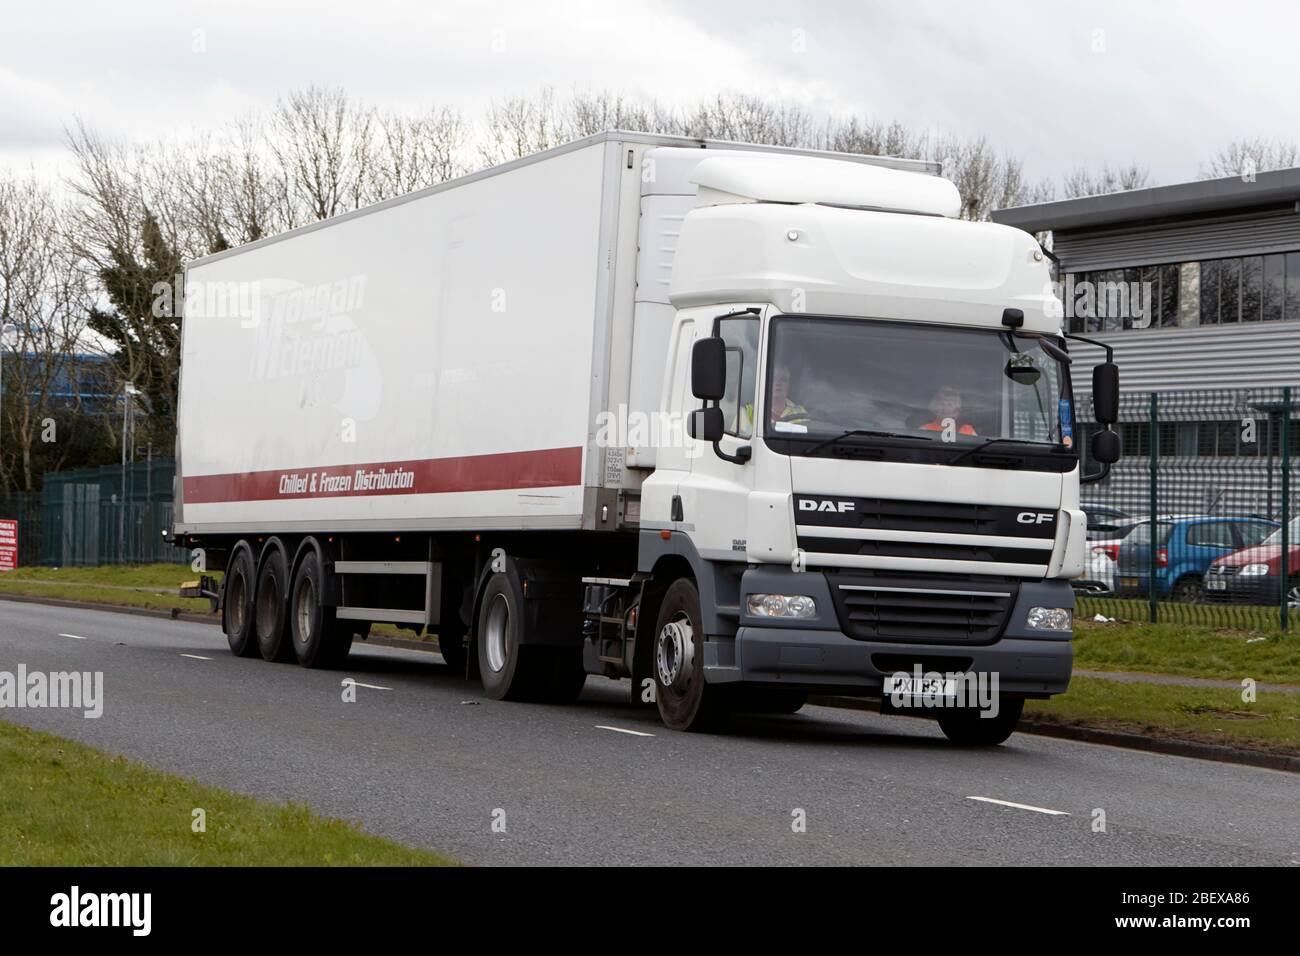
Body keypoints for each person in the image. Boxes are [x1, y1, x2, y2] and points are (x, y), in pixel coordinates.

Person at [743, 365, 809, 433]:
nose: (778, 383)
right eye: (773, 378)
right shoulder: (746, 412)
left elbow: (806, 439)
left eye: (783, 379)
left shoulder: (800, 412)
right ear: (765, 382)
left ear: (789, 385)